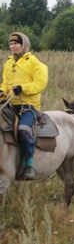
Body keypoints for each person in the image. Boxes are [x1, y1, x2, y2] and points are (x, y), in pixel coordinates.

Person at [0, 32, 48, 180]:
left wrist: (22, 88)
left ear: (24, 44)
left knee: (24, 130)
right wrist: (3, 91)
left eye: (16, 43)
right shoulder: (8, 63)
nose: (13, 46)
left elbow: (40, 84)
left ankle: (29, 164)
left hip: (28, 107)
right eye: (11, 44)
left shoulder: (36, 63)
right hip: (10, 105)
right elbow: (6, 83)